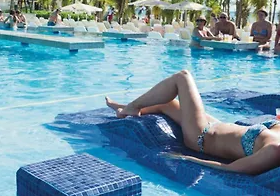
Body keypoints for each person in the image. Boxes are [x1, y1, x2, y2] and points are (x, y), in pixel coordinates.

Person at [105, 70, 280, 175]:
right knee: (167, 104)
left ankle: (131, 107)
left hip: (201, 136)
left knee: (182, 77)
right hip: (215, 124)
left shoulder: (274, 151)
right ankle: (126, 109)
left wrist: (188, 158)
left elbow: (232, 168)